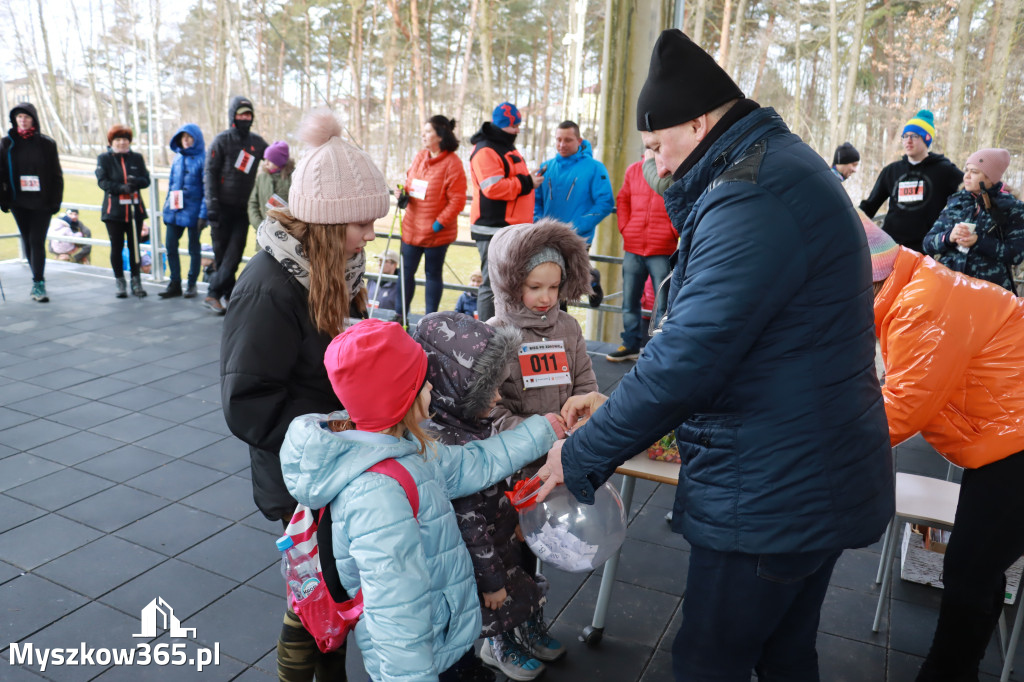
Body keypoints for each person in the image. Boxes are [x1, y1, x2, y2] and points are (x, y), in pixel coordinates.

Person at [533, 30, 894, 681]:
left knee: (710, 660)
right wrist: (620, 405)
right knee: (785, 654)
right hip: (814, 467)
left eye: (656, 147)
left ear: (698, 122)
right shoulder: (777, 167)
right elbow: (751, 340)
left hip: (773, 488)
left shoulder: (751, 194)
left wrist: (581, 453)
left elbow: (689, 355)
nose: (658, 167)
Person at [279, 318, 560, 682]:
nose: (431, 384)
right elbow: (397, 615)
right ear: (400, 398)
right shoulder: (378, 496)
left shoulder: (408, 450)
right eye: (422, 380)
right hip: (425, 656)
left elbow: (474, 463)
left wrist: (544, 429)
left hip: (441, 634)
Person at [220, 108, 388, 682]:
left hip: (336, 462)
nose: (370, 236)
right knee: (314, 593)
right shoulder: (268, 288)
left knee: (333, 583)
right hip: (301, 473)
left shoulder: (337, 271)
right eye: (361, 224)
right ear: (323, 223)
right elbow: (248, 402)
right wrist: (341, 426)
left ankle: (329, 672)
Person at [864, 218, 1024, 682]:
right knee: (979, 565)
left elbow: (903, 409)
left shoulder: (923, 306)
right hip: (1004, 438)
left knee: (970, 570)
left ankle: (948, 673)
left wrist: (816, 448)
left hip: (1015, 444)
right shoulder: (918, 285)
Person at [487, 219, 597, 437]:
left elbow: (586, 384)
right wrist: (536, 432)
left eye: (554, 286)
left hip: (567, 449)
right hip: (517, 459)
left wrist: (582, 416)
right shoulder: (493, 334)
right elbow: (487, 411)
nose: (546, 297)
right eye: (534, 287)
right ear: (510, 283)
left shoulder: (569, 327)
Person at [469, 102, 544, 323]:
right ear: (503, 125)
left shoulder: (503, 146)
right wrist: (528, 182)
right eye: (514, 126)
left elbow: (508, 179)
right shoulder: (486, 150)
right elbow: (493, 188)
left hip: (511, 228)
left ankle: (504, 329)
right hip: (493, 227)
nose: (518, 130)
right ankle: (487, 333)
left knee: (509, 283)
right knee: (491, 284)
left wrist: (527, 179)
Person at [608, 149, 678, 362]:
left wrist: (672, 232)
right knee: (629, 299)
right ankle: (630, 344)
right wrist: (626, 229)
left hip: (662, 248)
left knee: (663, 303)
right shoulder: (633, 170)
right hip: (634, 246)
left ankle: (658, 349)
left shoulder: (674, 171)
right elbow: (623, 200)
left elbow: (681, 203)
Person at [923, 148, 1024, 293]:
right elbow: (928, 243)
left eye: (975, 172)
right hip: (950, 289)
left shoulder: (1013, 208)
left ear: (991, 177)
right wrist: (949, 237)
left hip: (990, 293)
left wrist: (979, 242)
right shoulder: (956, 201)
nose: (967, 176)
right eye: (967, 170)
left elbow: (1016, 255)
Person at [860, 110, 962, 252]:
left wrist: (998, 189)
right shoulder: (891, 171)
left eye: (914, 136)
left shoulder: (945, 170)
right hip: (892, 247)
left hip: (926, 250)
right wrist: (850, 220)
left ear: (926, 138)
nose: (908, 140)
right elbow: (870, 206)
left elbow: (970, 190)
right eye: (905, 136)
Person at [203, 96, 268, 314]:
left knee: (234, 254)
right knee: (222, 256)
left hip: (242, 211)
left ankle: (213, 292)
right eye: (241, 114)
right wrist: (211, 205)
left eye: (248, 114)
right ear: (233, 116)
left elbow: (274, 156)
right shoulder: (221, 140)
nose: (245, 118)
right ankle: (228, 294)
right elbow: (210, 173)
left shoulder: (257, 143)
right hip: (220, 209)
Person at [398, 115, 467, 314]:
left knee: (433, 275)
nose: (423, 135)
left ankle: (430, 321)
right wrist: (402, 193)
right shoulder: (420, 156)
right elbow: (410, 184)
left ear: (440, 136)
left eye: (428, 131)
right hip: (412, 228)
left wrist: (439, 223)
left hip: (437, 233)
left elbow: (457, 200)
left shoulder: (453, 163)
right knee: (405, 273)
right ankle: (399, 316)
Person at [0, 102, 64, 302]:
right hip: (19, 201)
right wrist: (3, 199)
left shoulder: (46, 143)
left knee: (37, 240)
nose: (23, 120)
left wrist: (56, 201)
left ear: (34, 119)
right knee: (27, 239)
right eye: (19, 117)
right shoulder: (6, 143)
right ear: (14, 120)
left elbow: (56, 174)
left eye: (26, 117)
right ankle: (36, 276)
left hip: (42, 201)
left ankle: (39, 282)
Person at [533, 120, 616, 247]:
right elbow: (535, 201)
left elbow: (605, 202)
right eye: (558, 139)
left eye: (568, 140)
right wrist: (538, 224)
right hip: (546, 238)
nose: (562, 144)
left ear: (579, 141)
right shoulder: (546, 167)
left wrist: (577, 227)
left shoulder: (595, 168)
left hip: (577, 240)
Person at [96, 124, 151, 299]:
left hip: (135, 210)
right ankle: (120, 281)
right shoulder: (104, 159)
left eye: (125, 139)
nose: (121, 143)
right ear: (112, 142)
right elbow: (102, 182)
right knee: (117, 247)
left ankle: (137, 281)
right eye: (118, 140)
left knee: (135, 247)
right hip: (114, 212)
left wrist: (137, 183)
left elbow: (146, 179)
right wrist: (121, 188)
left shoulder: (136, 158)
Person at [161, 123, 208, 299]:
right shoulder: (177, 158)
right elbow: (172, 185)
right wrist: (167, 209)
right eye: (183, 137)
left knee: (194, 249)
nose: (186, 141)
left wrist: (203, 215)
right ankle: (174, 283)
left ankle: (192, 284)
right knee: (170, 246)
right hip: (175, 210)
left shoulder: (203, 159)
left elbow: (207, 189)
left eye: (189, 137)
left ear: (196, 139)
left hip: (194, 212)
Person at [248, 140, 293, 231]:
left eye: (270, 160)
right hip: (263, 234)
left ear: (279, 161)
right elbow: (253, 203)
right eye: (265, 159)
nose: (265, 163)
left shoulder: (294, 178)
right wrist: (259, 225)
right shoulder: (262, 178)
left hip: (286, 234)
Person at [366, 249, 404, 317]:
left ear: (394, 265)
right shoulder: (371, 280)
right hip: (369, 318)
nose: (380, 263)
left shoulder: (401, 284)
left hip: (389, 322)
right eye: (379, 260)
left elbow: (403, 310)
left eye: (384, 261)